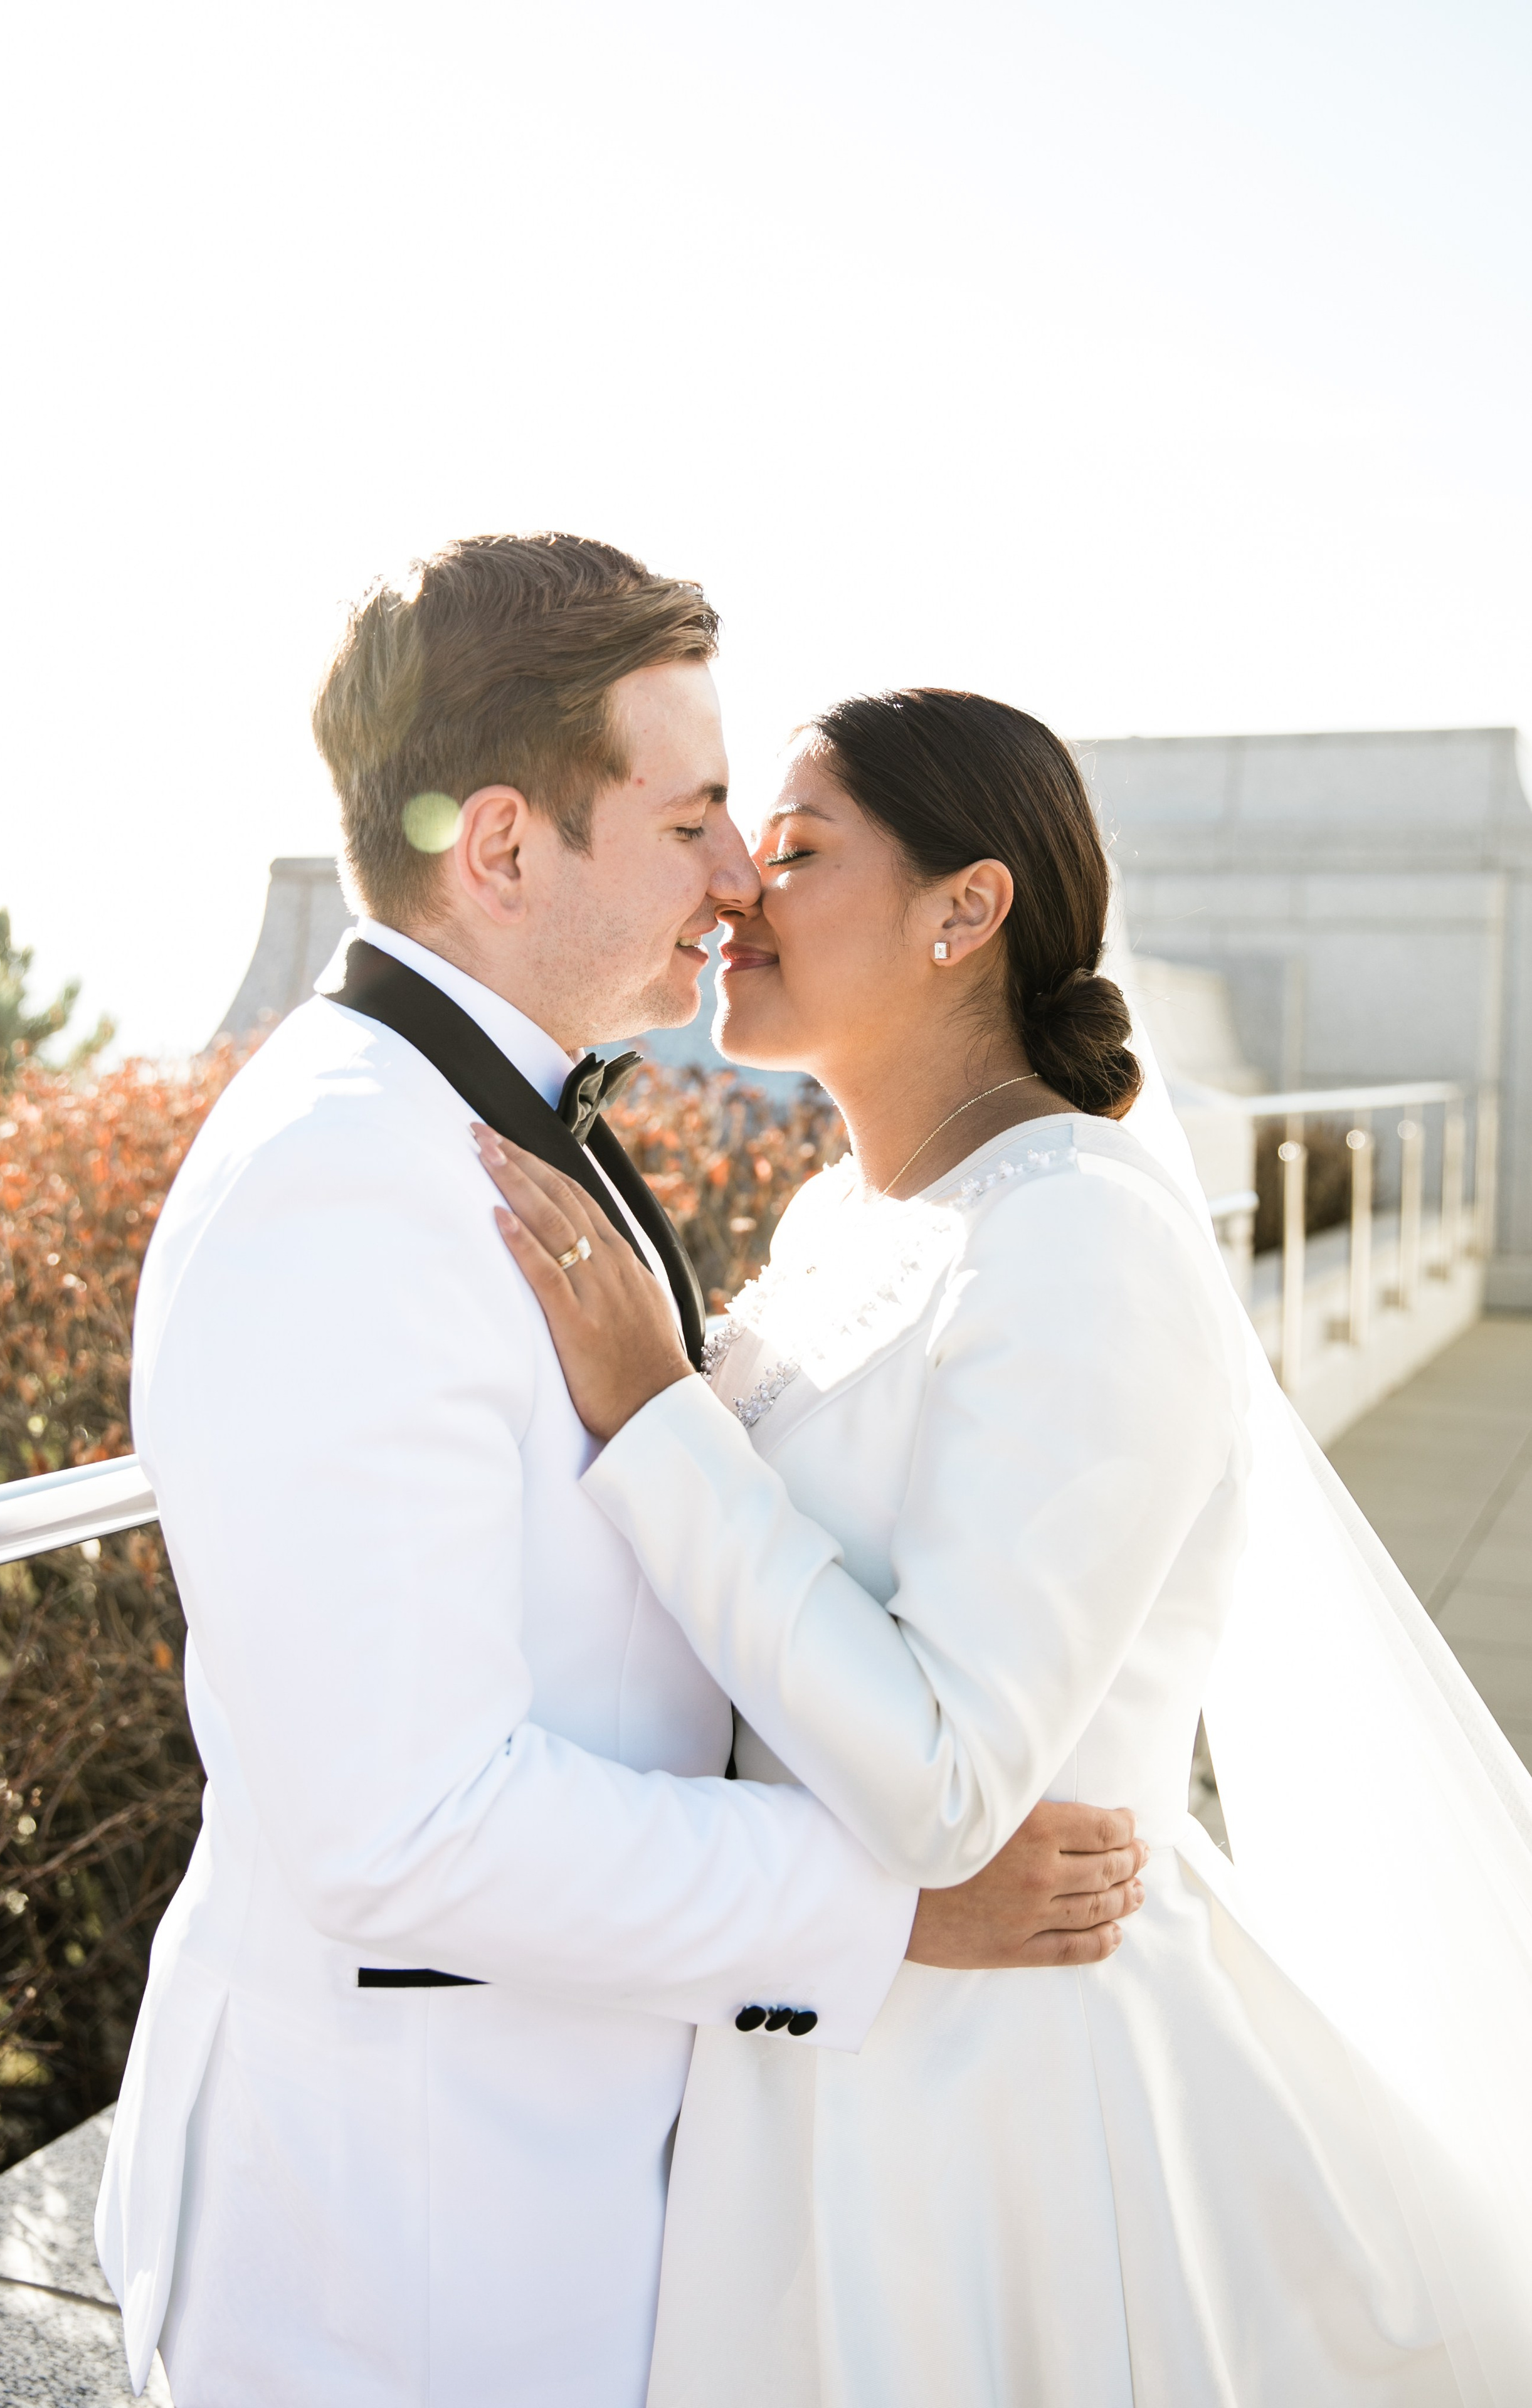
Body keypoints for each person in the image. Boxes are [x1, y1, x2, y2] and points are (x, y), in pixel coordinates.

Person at [94, 545, 1147, 2405]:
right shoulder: (350, 1182)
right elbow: (404, 1828)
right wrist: (889, 1912)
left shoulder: (480, 1119)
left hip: (558, 2173)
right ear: (500, 849)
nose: (742, 873)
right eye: (694, 817)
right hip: (408, 2249)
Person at [483, 686, 1532, 2405]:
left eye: (804, 848)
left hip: (996, 2121)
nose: (740, 883)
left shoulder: (1084, 1246)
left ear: (966, 911)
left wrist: (659, 1419)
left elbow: (953, 1781)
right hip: (803, 2055)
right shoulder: (850, 1214)